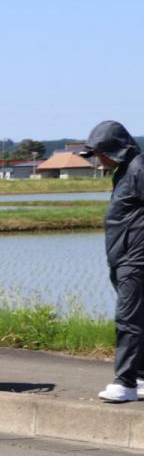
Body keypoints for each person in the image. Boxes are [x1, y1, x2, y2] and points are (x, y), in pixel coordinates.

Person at [79, 121, 144, 403]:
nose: (98, 159)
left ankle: (126, 382)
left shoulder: (139, 168)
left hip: (136, 257)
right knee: (138, 319)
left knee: (128, 319)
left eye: (100, 152)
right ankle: (140, 377)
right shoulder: (123, 171)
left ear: (115, 149)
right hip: (124, 257)